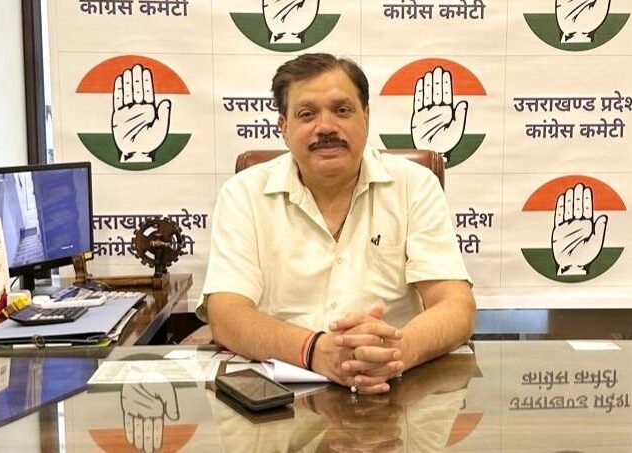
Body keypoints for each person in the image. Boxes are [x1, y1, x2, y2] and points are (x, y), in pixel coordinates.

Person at [195, 53, 475, 394]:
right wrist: (313, 350)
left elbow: (455, 306)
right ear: (284, 127)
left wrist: (396, 352)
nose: (326, 127)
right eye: (307, 114)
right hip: (281, 397)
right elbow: (226, 314)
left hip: (396, 386)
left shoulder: (415, 185)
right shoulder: (243, 193)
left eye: (342, 110)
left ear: (366, 117)